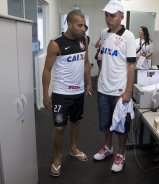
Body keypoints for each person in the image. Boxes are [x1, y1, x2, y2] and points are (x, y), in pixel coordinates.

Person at [42, 10, 93, 177]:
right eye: (79, 25)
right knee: (59, 128)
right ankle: (58, 157)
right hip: (61, 94)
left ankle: (73, 148)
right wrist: (45, 94)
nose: (83, 28)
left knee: (76, 122)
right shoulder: (55, 44)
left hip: (78, 92)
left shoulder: (84, 40)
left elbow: (86, 63)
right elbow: (47, 71)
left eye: (84, 25)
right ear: (69, 24)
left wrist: (89, 82)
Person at [92, 0, 136, 173]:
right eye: (106, 15)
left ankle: (121, 154)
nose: (108, 19)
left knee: (120, 126)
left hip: (120, 91)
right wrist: (102, 75)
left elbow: (131, 65)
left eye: (113, 15)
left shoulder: (129, 36)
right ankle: (108, 148)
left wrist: (128, 91)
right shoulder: (103, 33)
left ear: (121, 16)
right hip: (103, 88)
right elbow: (102, 55)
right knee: (105, 123)